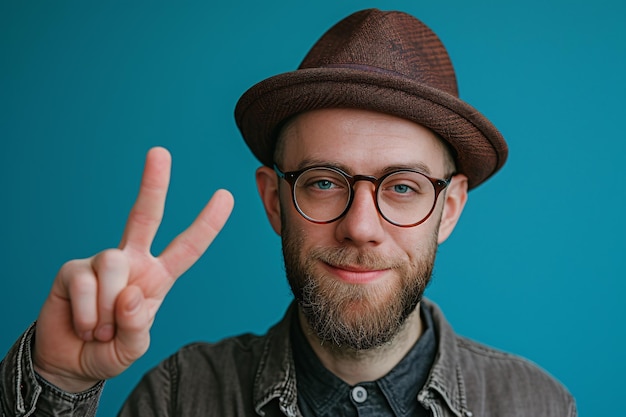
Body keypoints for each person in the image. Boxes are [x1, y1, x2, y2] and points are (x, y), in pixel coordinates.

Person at [1, 8, 576, 417]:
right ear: (275, 201)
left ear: (448, 210)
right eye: (325, 182)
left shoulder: (538, 405)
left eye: (403, 187)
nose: (360, 226)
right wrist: (61, 384)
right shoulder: (179, 397)